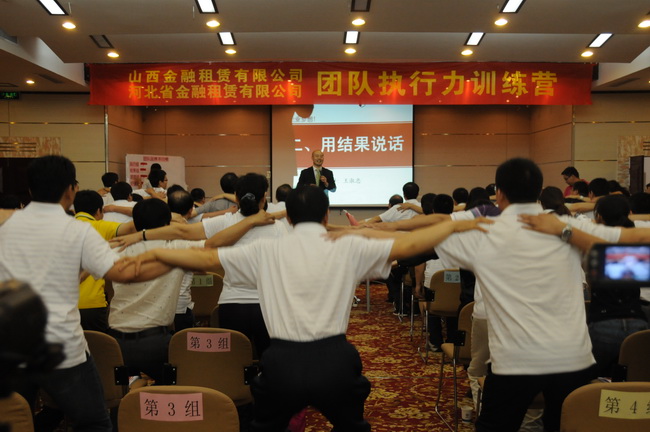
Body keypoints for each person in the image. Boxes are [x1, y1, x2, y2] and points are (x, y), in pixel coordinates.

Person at [119, 185, 489, 432]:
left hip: (281, 361)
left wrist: (153, 252)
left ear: (289, 218)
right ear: (326, 215)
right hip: (335, 359)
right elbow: (411, 246)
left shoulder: (265, 249)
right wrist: (463, 222)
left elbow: (204, 259)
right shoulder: (346, 246)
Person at [0, 155, 170, 432]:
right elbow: (124, 274)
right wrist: (173, 259)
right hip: (61, 346)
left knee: (17, 421)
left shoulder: (6, 226)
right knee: (94, 423)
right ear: (71, 190)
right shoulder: (78, 231)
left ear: (30, 190)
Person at [109, 199, 206, 383]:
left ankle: (134, 389)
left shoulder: (115, 248)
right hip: (155, 343)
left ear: (135, 223)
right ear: (167, 223)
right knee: (181, 386)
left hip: (115, 342)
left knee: (119, 393)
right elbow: (215, 244)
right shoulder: (176, 248)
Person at [73, 189, 138, 332]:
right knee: (99, 344)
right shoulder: (100, 226)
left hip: (63, 305)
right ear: (98, 211)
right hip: (92, 304)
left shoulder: (62, 228)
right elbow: (133, 226)